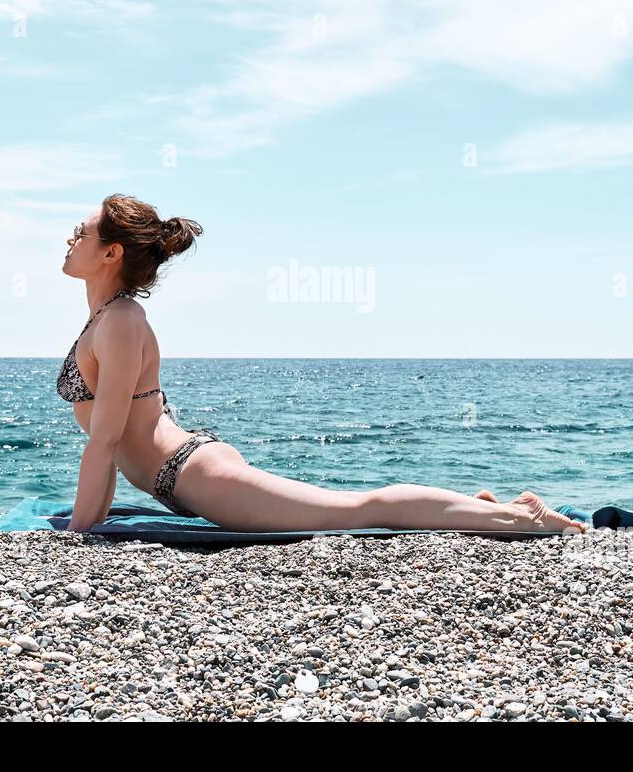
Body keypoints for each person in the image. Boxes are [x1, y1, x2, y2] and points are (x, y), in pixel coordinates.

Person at [58, 193, 589, 536]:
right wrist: (95, 521)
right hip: (186, 469)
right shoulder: (108, 317)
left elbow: (106, 441)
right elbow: (108, 439)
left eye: (81, 232)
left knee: (356, 511)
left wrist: (80, 533)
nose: (69, 238)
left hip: (191, 475)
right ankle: (484, 509)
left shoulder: (122, 321)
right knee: (351, 508)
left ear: (111, 254)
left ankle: (521, 518)